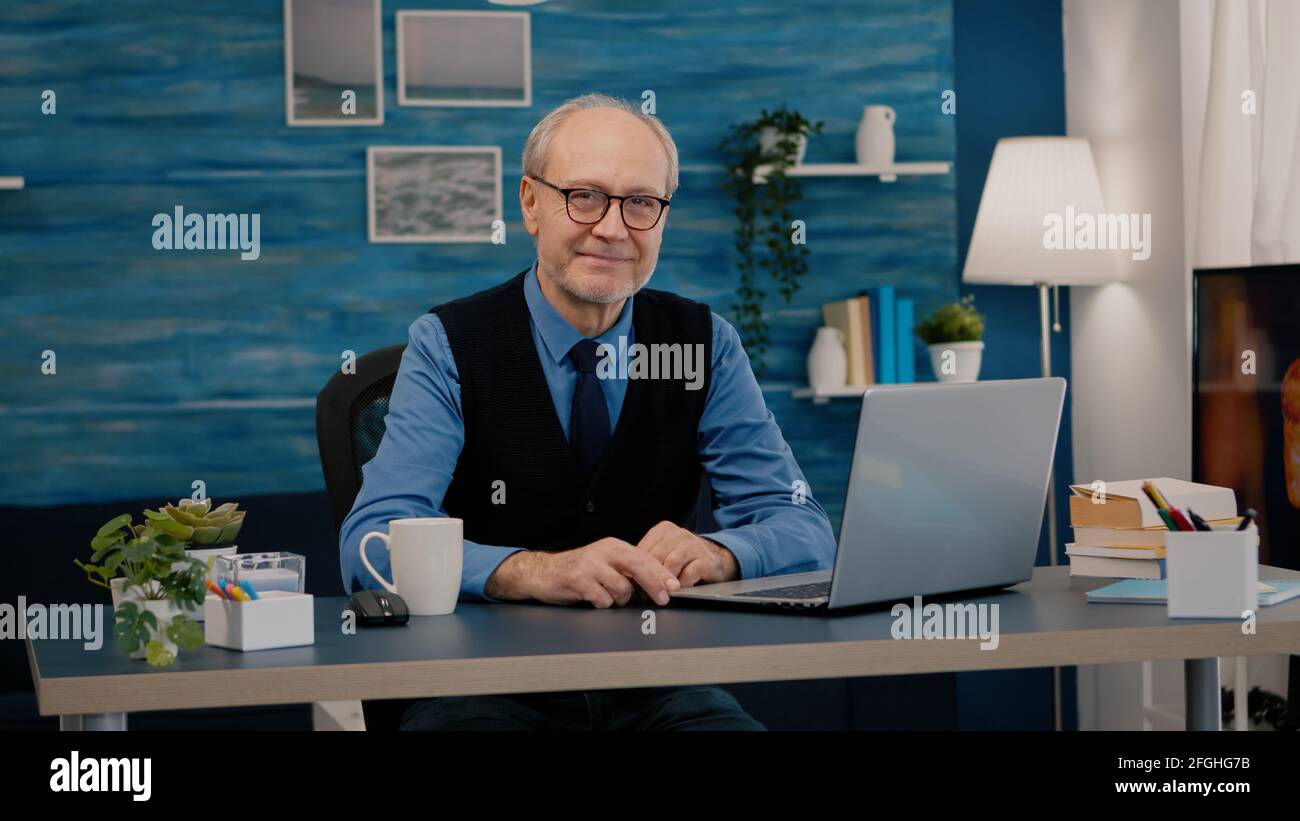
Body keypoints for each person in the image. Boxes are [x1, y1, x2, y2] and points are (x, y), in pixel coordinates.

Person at [340, 92, 836, 730]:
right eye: (585, 196)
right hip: (477, 683)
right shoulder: (448, 344)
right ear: (530, 204)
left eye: (640, 203)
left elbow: (803, 528)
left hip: (657, 683)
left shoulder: (704, 343)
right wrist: (529, 570)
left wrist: (722, 554)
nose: (612, 227)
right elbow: (373, 542)